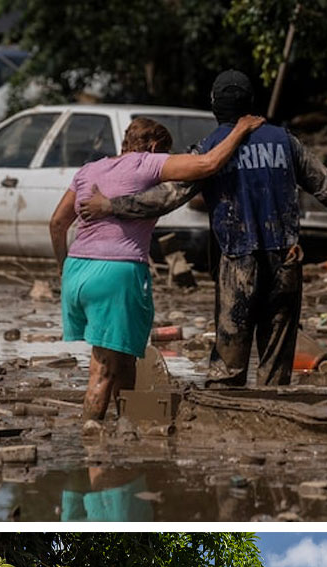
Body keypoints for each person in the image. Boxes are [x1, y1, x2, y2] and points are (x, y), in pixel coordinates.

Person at [81, 70, 327, 389]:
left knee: (228, 365)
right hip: (286, 260)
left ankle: (225, 425)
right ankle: (275, 421)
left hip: (237, 262)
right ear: (250, 103)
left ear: (215, 106)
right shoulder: (284, 141)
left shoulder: (211, 148)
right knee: (276, 359)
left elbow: (167, 197)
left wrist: (111, 206)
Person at [49, 113, 264, 421]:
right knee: (103, 370)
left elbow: (57, 224)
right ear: (152, 146)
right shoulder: (147, 164)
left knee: (124, 359)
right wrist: (240, 129)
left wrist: (63, 268)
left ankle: (127, 429)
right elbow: (207, 165)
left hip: (77, 272)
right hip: (116, 273)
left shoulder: (89, 169)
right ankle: (91, 446)